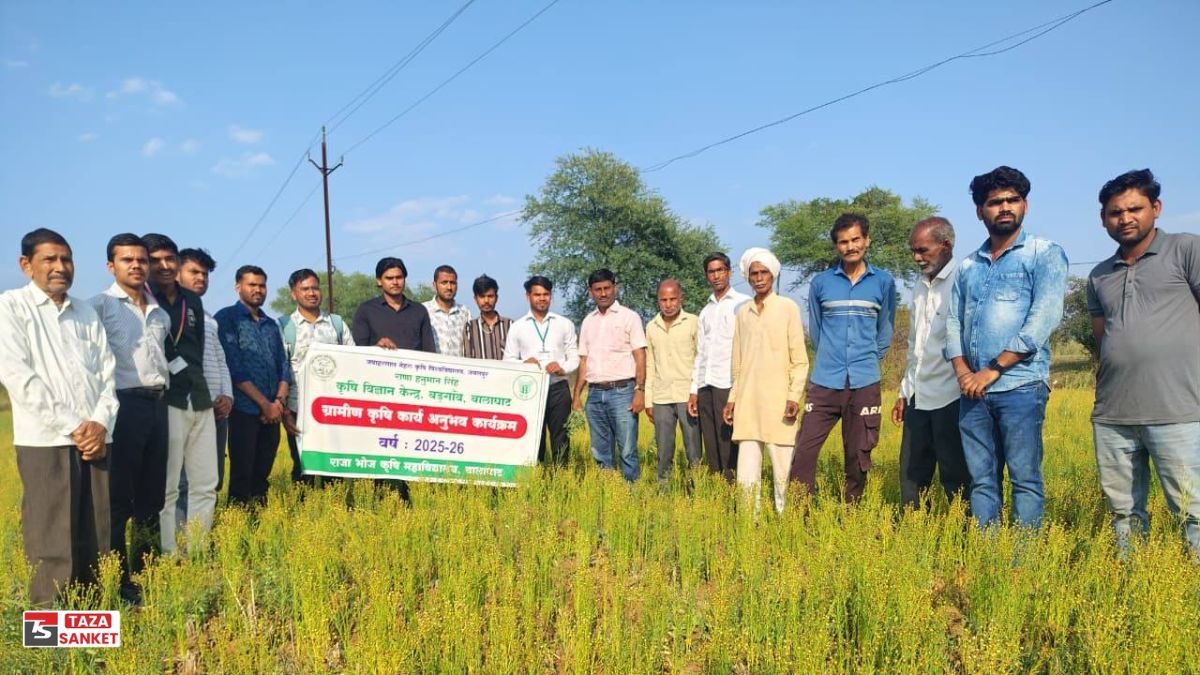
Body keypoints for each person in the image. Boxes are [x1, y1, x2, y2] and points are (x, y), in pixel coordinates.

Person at [946, 165, 1068, 529]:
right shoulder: (968, 265)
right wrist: (964, 372)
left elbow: (1042, 321)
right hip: (973, 392)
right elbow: (953, 322)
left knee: (1024, 479)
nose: (1004, 207)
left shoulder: (1042, 254)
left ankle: (1023, 565)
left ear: (1025, 206)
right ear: (980, 211)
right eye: (995, 202)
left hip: (1020, 386)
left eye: (1012, 200)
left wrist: (992, 369)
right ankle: (989, 559)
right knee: (982, 481)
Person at [1087, 169, 1200, 559]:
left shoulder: (1187, 250)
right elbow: (1104, 339)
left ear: (1156, 208)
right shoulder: (1099, 275)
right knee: (1124, 511)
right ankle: (1135, 580)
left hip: (1179, 409)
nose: (1125, 218)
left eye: (1135, 208)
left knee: (1193, 509)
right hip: (1113, 413)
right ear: (1103, 219)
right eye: (1115, 212)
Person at [0, 228, 116, 606]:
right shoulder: (11, 308)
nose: (60, 267)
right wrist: (74, 426)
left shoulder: (85, 312)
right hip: (46, 441)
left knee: (96, 532)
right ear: (25, 264)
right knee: (52, 538)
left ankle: (92, 624)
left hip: (96, 441)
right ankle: (50, 628)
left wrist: (99, 424)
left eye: (66, 259)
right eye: (49, 259)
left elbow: (107, 375)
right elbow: (18, 377)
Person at [790, 214, 896, 503]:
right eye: (843, 242)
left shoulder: (883, 282)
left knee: (858, 453)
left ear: (867, 240)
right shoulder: (821, 283)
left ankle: (852, 511)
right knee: (804, 450)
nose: (850, 247)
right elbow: (817, 331)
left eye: (855, 240)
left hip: (864, 381)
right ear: (836, 246)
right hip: (825, 381)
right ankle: (799, 515)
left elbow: (885, 329)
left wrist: (870, 359)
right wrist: (831, 358)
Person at [89, 233, 170, 602]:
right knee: (119, 498)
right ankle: (118, 579)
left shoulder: (159, 312)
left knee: (152, 495)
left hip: (157, 404)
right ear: (111, 265)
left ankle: (146, 570)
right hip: (122, 406)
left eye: (142, 260)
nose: (136, 266)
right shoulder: (99, 308)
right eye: (127, 260)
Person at [145, 233, 218, 556]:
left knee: (206, 481)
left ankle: (199, 549)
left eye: (169, 259)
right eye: (155, 259)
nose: (163, 265)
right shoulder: (145, 299)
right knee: (170, 484)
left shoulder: (194, 300)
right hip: (169, 400)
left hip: (199, 396)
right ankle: (170, 550)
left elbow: (197, 349)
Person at [890, 217, 969, 510]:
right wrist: (904, 390)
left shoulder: (964, 279)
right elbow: (916, 344)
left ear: (946, 244)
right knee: (912, 473)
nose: (917, 257)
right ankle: (913, 531)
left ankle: (962, 537)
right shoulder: (920, 286)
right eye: (913, 250)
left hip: (952, 395)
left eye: (923, 250)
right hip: (918, 396)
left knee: (955, 474)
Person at [723, 248, 808, 514]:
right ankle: (750, 525)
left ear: (773, 275)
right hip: (748, 403)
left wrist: (794, 396)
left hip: (780, 402)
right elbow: (738, 363)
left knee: (784, 469)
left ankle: (787, 524)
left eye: (763, 273)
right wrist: (732, 399)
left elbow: (800, 359)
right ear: (748, 278)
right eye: (754, 274)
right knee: (747, 473)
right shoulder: (742, 313)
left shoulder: (787, 308)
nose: (759, 278)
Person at [215, 265, 292, 506]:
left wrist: (277, 402)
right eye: (252, 285)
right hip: (244, 410)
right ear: (238, 287)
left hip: (273, 411)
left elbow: (283, 364)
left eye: (261, 285)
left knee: (262, 473)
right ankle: (237, 523)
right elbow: (234, 368)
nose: (257, 290)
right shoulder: (226, 319)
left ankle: (259, 523)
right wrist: (263, 405)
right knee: (242, 473)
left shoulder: (270, 324)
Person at [279, 268, 354, 484]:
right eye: (305, 289)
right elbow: (280, 369)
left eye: (315, 288)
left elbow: (352, 361)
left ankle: (334, 509)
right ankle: (306, 513)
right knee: (302, 468)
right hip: (297, 407)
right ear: (294, 293)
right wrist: (285, 411)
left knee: (334, 467)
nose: (311, 293)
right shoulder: (285, 326)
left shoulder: (337, 324)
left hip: (333, 408)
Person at [174, 247, 233, 524]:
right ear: (176, 272)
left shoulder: (208, 317)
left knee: (210, 479)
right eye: (194, 272)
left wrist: (227, 397)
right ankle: (180, 543)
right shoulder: (171, 312)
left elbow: (220, 359)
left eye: (205, 274)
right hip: (186, 405)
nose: (201, 278)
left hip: (216, 409)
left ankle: (199, 540)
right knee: (183, 481)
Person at [573, 269, 647, 482]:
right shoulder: (588, 321)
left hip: (622, 391)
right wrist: (578, 394)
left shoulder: (629, 317)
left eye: (607, 288)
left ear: (615, 287)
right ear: (590, 292)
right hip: (595, 395)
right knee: (600, 453)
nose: (603, 293)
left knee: (627, 451)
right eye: (598, 289)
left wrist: (639, 390)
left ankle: (631, 499)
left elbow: (640, 355)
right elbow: (584, 360)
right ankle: (609, 497)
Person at [503, 276, 579, 466]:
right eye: (537, 294)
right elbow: (508, 360)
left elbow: (575, 358)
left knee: (561, 438)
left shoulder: (564, 324)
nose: (542, 298)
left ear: (551, 296)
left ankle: (561, 481)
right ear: (528, 296)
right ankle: (536, 480)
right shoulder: (517, 327)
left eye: (546, 294)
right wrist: (524, 364)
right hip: (530, 391)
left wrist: (563, 369)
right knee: (533, 439)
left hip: (558, 388)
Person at [688, 252, 749, 481]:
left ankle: (735, 493)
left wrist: (738, 388)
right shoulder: (706, 311)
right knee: (711, 444)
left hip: (729, 384)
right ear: (707, 276)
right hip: (706, 384)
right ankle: (718, 495)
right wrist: (694, 389)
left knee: (729, 442)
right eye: (711, 272)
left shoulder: (742, 304)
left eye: (720, 270)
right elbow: (700, 353)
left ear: (729, 272)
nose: (716, 276)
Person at [645, 279, 701, 482]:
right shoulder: (651, 326)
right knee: (664, 450)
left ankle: (697, 490)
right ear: (658, 301)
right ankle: (664, 492)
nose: (668, 304)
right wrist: (648, 400)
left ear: (681, 298)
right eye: (663, 300)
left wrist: (696, 392)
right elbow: (650, 364)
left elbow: (700, 359)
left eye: (672, 299)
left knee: (693, 449)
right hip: (661, 397)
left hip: (687, 396)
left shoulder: (693, 322)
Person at [352, 257, 436, 352]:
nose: (395, 282)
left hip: (413, 366)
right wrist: (377, 348)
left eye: (399, 277)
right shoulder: (366, 310)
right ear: (379, 281)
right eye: (389, 278)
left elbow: (429, 351)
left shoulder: (419, 311)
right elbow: (359, 351)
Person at [423, 264, 471, 357]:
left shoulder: (464, 312)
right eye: (444, 283)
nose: (449, 287)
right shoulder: (424, 310)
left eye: (452, 283)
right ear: (434, 285)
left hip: (458, 369)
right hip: (431, 368)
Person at [461, 274, 512, 360]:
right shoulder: (470, 327)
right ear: (475, 299)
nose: (486, 301)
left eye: (490, 296)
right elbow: (467, 359)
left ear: (496, 298)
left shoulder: (510, 325)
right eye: (482, 296)